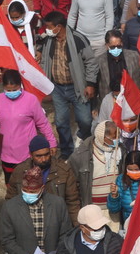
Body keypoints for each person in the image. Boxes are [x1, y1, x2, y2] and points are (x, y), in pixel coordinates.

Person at [0, 166, 74, 254]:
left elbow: (65, 235)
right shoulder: (10, 207)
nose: (28, 194)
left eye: (33, 191)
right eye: (25, 190)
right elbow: (6, 240)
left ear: (42, 188)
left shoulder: (57, 204)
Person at [38, 11, 97, 158]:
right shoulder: (48, 40)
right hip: (57, 87)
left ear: (59, 27)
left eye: (50, 27)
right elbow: (43, 55)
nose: (48, 30)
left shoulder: (78, 39)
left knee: (85, 120)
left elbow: (91, 62)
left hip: (77, 87)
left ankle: (84, 145)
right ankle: (67, 152)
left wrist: (90, 84)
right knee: (61, 122)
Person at [0, 69, 56, 183]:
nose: (12, 92)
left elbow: (43, 123)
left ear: (20, 85)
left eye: (15, 89)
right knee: (11, 184)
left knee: (30, 183)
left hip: (27, 154)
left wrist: (51, 143)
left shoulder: (31, 99)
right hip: (6, 153)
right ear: (3, 87)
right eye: (8, 90)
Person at [7, 134, 82, 224]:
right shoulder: (20, 172)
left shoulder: (63, 171)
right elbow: (11, 200)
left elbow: (73, 202)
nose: (43, 159)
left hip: (57, 221)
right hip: (28, 222)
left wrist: (76, 227)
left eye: (46, 154)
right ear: (31, 155)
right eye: (38, 156)